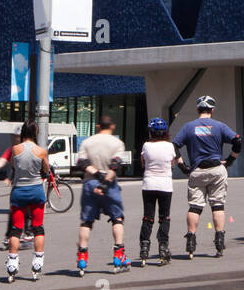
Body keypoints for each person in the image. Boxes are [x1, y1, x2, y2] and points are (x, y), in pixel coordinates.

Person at [172, 96, 242, 259]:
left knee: (195, 206)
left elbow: (174, 146)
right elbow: (237, 141)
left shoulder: (188, 127)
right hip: (217, 169)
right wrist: (230, 160)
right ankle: (219, 241)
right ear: (212, 110)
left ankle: (190, 241)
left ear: (197, 110)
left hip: (197, 170)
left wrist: (183, 167)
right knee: (218, 205)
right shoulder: (219, 126)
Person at [0, 122, 49, 282]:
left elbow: (14, 166)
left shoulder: (14, 150)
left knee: (16, 229)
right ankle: (37, 261)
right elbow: (46, 170)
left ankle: (12, 262)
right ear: (35, 132)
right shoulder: (41, 151)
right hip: (36, 191)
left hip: (19, 191)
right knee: (37, 227)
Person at [75, 116, 130, 275]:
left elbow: (82, 163)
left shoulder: (87, 142)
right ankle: (119, 254)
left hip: (90, 183)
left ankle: (82, 257)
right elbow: (116, 164)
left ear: (98, 126)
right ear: (112, 126)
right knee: (117, 218)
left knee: (87, 221)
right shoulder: (117, 143)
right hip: (110, 183)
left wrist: (97, 176)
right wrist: (105, 182)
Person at [139, 117, 176, 264]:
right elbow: (172, 164)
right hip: (165, 185)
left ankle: (144, 247)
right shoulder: (170, 146)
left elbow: (143, 163)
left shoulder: (146, 146)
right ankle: (163, 247)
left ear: (151, 132)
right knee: (164, 217)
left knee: (148, 217)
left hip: (149, 184)